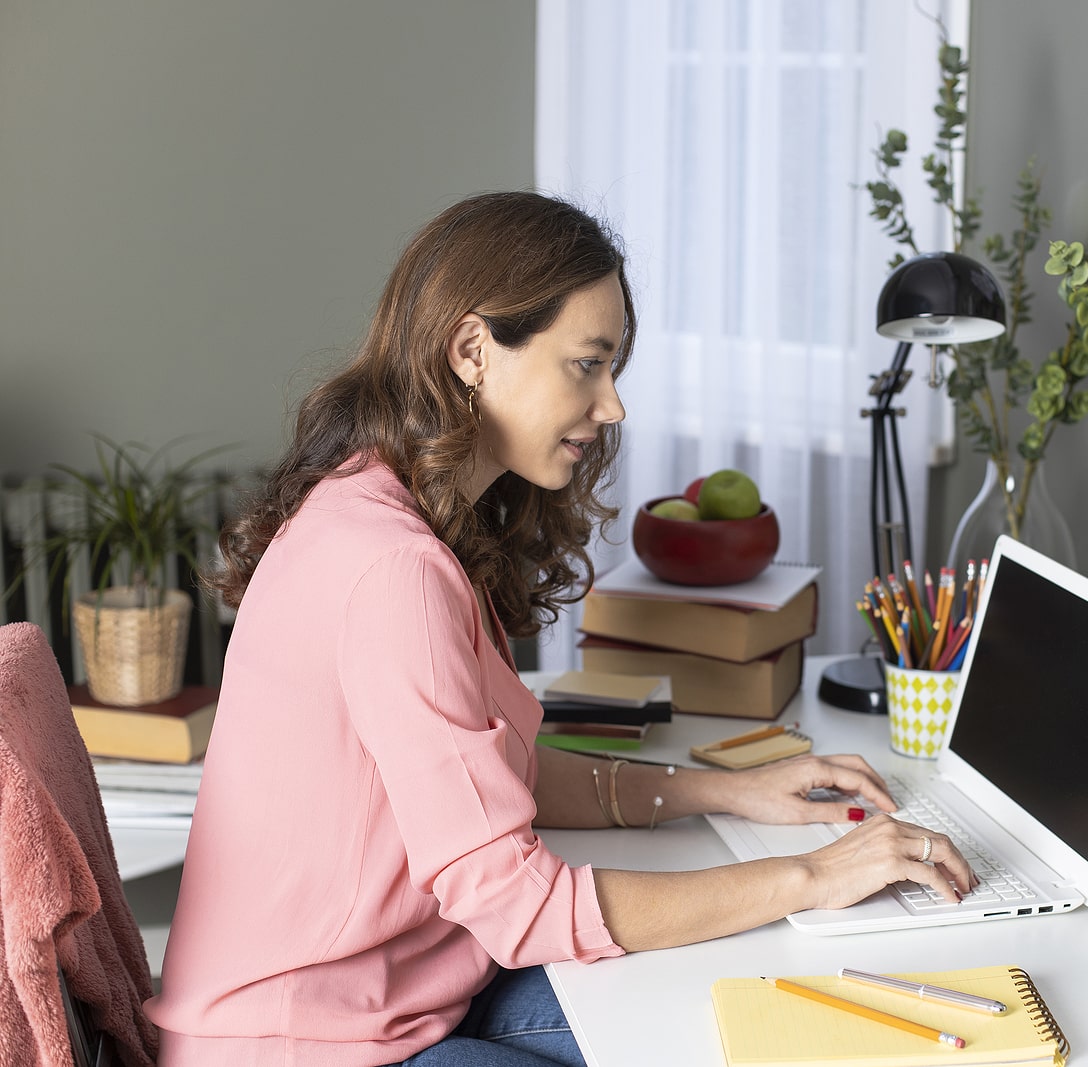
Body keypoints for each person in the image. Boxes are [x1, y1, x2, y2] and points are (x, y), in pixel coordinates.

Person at [143, 191, 974, 1067]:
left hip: (408, 994)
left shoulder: (380, 507)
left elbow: (496, 776)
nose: (611, 404)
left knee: (738, 992)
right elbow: (519, 905)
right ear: (472, 349)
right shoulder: (391, 568)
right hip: (303, 1046)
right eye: (587, 363)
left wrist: (728, 790)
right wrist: (815, 875)